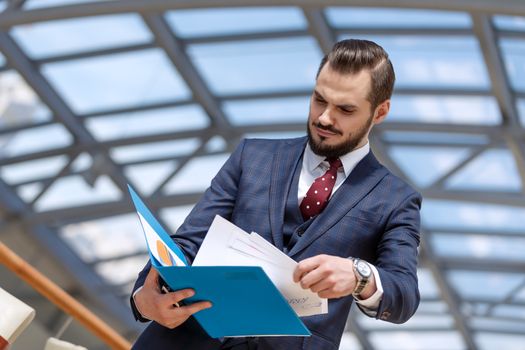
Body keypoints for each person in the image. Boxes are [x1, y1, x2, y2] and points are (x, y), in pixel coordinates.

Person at [130, 39, 422, 350]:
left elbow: (403, 293)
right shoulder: (252, 156)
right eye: (319, 100)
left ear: (380, 112)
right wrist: (145, 298)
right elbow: (190, 241)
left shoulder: (396, 199)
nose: (324, 117)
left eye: (345, 109)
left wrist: (358, 275)